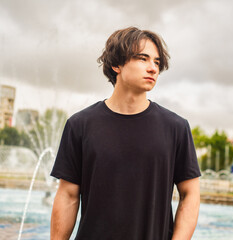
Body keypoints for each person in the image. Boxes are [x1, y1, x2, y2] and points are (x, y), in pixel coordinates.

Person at [50, 27, 201, 240]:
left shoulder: (176, 127)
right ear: (116, 64)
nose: (153, 68)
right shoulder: (80, 125)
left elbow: (190, 194)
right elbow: (67, 196)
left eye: (157, 62)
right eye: (143, 59)